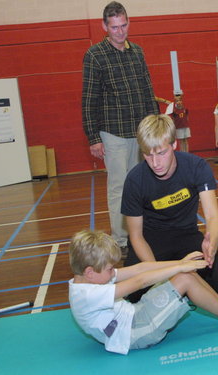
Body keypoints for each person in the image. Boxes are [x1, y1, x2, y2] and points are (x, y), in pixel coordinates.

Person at [68, 230, 218, 355]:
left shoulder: (88, 278)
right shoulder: (87, 295)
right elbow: (140, 281)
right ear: (90, 272)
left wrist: (181, 263)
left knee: (188, 275)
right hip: (135, 334)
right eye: (110, 269)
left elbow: (140, 269)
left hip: (134, 314)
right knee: (185, 277)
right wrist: (181, 268)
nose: (113, 272)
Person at [122, 114, 218, 302]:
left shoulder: (196, 167)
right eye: (148, 155)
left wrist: (211, 244)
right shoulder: (134, 180)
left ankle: (181, 285)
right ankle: (181, 285)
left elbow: (212, 217)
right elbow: (136, 236)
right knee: (133, 295)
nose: (155, 163)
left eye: (161, 153)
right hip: (151, 240)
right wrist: (157, 273)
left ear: (174, 145)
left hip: (186, 235)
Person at [82, 1, 159, 256]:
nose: (120, 31)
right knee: (119, 187)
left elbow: (148, 90)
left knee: (144, 184)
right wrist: (94, 137)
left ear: (128, 23)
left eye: (124, 25)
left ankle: (142, 232)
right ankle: (122, 240)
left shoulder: (137, 52)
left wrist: (156, 126)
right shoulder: (95, 55)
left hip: (140, 132)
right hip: (113, 133)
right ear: (104, 26)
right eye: (114, 27)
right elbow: (89, 98)